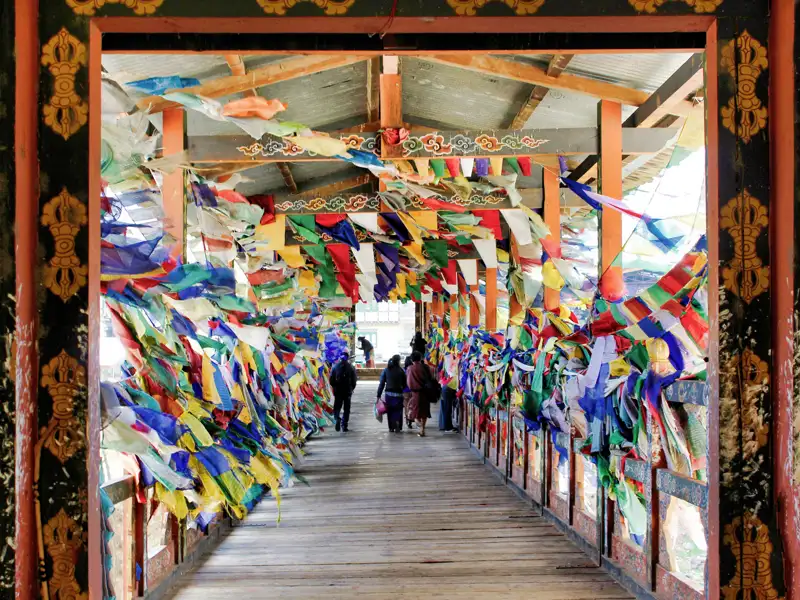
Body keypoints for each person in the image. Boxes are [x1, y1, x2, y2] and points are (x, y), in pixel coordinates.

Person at [406, 351, 433, 437]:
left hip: (415, 393)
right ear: (420, 358)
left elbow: (409, 382)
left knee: (416, 413)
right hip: (426, 392)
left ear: (411, 359)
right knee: (424, 411)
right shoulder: (425, 367)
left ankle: (421, 427)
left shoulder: (410, 368)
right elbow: (431, 378)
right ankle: (423, 429)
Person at [377, 354, 406, 433]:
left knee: (390, 411)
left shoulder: (386, 370)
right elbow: (405, 383)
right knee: (398, 410)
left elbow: (382, 383)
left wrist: (378, 395)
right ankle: (398, 424)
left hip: (389, 394)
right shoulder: (401, 370)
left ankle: (391, 427)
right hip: (399, 394)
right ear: (399, 361)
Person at [330, 352, 357, 432]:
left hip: (338, 391)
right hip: (347, 391)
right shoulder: (351, 367)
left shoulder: (335, 367)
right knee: (346, 408)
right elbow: (354, 381)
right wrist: (351, 388)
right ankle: (344, 425)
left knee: (337, 407)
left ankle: (337, 418)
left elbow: (331, 381)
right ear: (347, 358)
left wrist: (335, 387)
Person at [403, 355, 414, 429]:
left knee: (406, 406)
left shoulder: (403, 370)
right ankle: (411, 419)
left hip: (405, 391)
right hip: (413, 391)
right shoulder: (413, 369)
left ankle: (408, 419)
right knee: (412, 406)